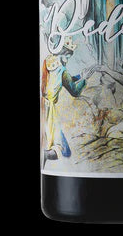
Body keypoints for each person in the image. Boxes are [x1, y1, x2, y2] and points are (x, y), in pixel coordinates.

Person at [41, 35, 97, 164]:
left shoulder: (48, 63)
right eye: (67, 56)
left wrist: (79, 75)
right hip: (49, 111)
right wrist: (85, 79)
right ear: (62, 53)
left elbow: (66, 80)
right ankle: (45, 156)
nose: (67, 60)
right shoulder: (62, 69)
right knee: (63, 149)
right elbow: (75, 92)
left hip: (43, 107)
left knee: (48, 142)